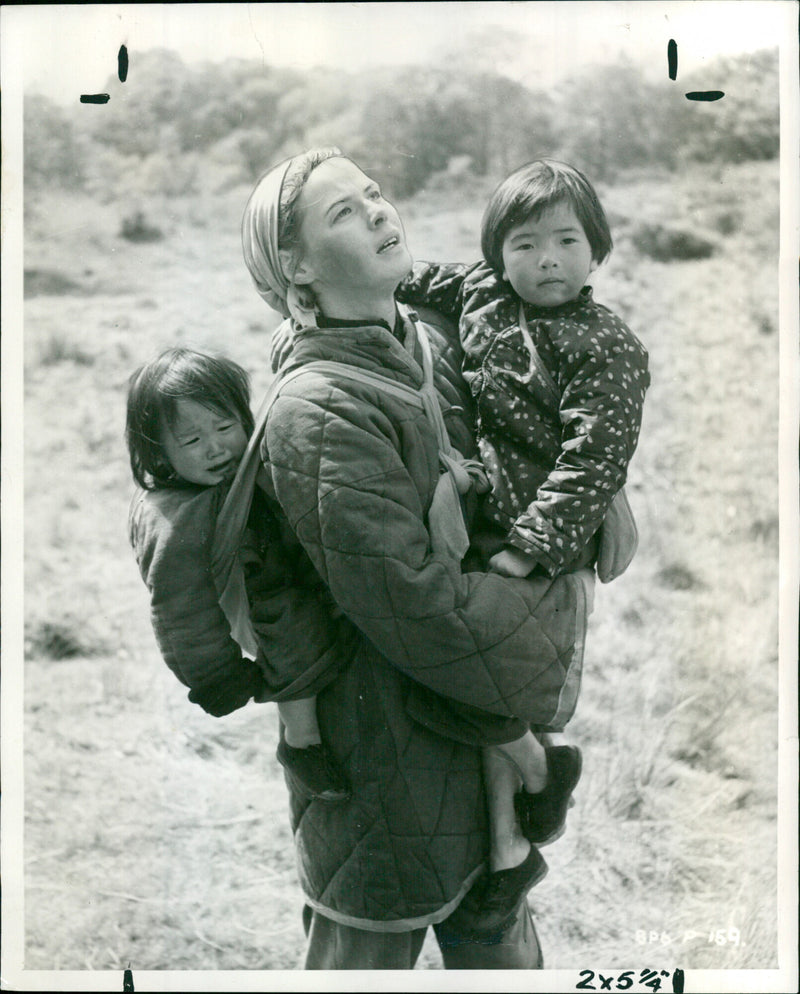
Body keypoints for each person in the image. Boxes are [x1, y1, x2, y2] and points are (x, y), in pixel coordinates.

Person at [236, 146, 601, 968]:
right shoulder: (316, 409)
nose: (375, 212)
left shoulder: (435, 337)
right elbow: (419, 606)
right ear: (295, 267)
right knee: (362, 959)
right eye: (341, 212)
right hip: (381, 772)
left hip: (479, 755)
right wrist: (560, 590)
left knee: (505, 958)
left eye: (372, 194)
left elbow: (532, 466)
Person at [397, 157, 650, 844]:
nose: (547, 261)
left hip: (551, 549)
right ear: (498, 256)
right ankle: (529, 804)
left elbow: (594, 459)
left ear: (596, 248)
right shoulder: (482, 292)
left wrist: (529, 548)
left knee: (515, 690)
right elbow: (406, 278)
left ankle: (522, 824)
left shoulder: (605, 345)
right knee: (479, 684)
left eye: (567, 241)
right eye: (525, 245)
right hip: (485, 527)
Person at [126, 347, 355, 801]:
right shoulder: (176, 518)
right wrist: (217, 676)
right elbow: (180, 610)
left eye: (226, 426)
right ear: (160, 455)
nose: (216, 447)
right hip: (257, 605)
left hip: (286, 570)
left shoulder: (254, 464)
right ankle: (301, 741)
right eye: (191, 441)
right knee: (293, 631)